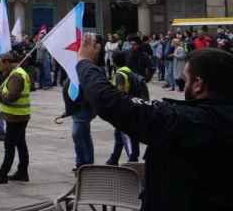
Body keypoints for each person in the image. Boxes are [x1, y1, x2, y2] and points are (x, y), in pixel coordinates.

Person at [78, 33, 233, 211]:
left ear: (198, 84)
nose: (182, 84)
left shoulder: (191, 121)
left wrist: (85, 62)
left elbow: (111, 102)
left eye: (185, 80)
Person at [0, 51, 31, 184]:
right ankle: (22, 172)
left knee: (9, 145)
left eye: (0, 65)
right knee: (20, 143)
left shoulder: (16, 76)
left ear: (7, 62)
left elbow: (12, 97)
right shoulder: (16, 73)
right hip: (19, 115)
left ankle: (2, 174)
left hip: (16, 117)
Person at [106, 51, 141, 165]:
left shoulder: (120, 74)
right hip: (133, 105)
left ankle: (133, 160)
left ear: (114, 61)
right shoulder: (129, 71)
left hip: (125, 109)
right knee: (119, 134)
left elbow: (120, 93)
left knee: (126, 135)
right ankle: (114, 158)